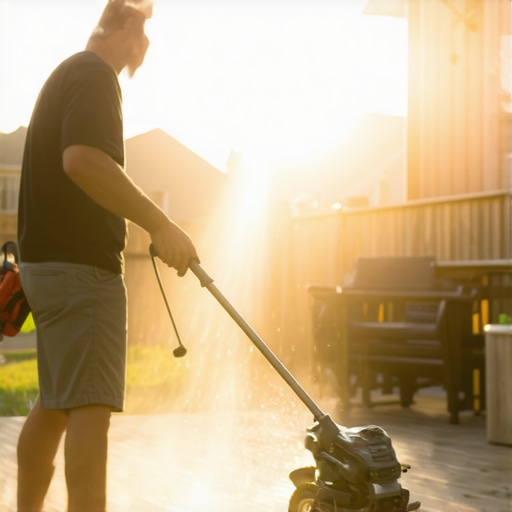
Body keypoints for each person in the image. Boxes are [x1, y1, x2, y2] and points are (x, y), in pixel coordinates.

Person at [16, 1, 199, 511]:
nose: (144, 50)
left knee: (54, 405)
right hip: (81, 272)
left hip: (44, 268)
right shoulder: (95, 75)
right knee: (89, 409)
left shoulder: (66, 74)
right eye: (142, 36)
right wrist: (159, 223)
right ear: (121, 26)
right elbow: (83, 160)